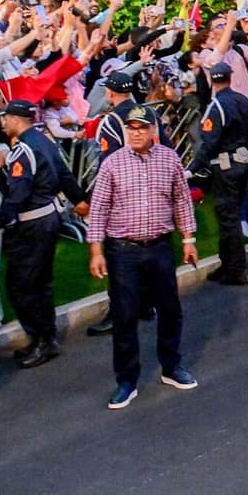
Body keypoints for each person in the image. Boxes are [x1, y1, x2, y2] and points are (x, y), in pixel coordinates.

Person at [86, 105, 199, 410]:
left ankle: (172, 365)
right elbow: (98, 210)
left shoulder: (169, 159)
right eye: (130, 128)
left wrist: (188, 238)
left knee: (170, 308)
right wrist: (96, 251)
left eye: (141, 127)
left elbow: (181, 200)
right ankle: (126, 380)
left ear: (153, 130)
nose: (135, 133)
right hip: (123, 250)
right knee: (124, 315)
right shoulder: (112, 164)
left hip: (160, 246)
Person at [0, 99, 65, 368]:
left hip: (32, 224)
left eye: (6, 118)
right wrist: (78, 198)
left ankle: (42, 340)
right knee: (40, 284)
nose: (2, 123)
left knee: (23, 286)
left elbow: (16, 197)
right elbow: (64, 173)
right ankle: (45, 338)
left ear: (16, 120)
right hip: (47, 218)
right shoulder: (42, 141)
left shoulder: (22, 151)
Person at [194, 61, 248, 284]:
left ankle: (236, 270)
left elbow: (209, 143)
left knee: (228, 219)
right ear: (230, 77)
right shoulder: (243, 100)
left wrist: (191, 170)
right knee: (232, 215)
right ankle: (227, 263)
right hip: (244, 162)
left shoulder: (216, 106)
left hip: (225, 167)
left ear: (212, 80)